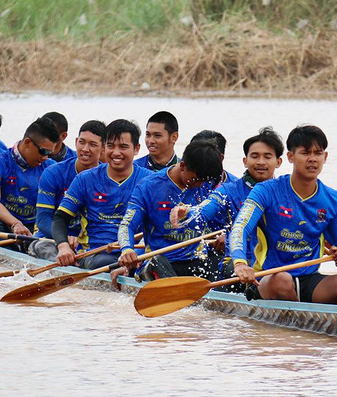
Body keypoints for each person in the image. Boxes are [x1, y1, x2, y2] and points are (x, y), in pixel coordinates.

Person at [230, 125, 337, 306]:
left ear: (325, 157)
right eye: (305, 153)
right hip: (268, 278)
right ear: (290, 157)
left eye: (318, 153)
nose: (312, 159)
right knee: (282, 280)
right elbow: (240, 227)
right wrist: (240, 264)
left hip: (309, 278)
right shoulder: (265, 191)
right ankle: (307, 319)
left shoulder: (332, 199)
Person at [171, 127, 284, 282]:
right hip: (238, 264)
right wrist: (186, 213)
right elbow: (203, 211)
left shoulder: (286, 192)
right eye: (255, 156)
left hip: (276, 264)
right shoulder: (228, 190)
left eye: (267, 157)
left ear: (278, 162)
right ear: (245, 161)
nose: (260, 162)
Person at [52, 119, 152, 271]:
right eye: (110, 146)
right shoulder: (85, 179)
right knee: (103, 262)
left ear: (136, 149)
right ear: (104, 147)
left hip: (135, 254)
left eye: (123, 147)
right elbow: (60, 218)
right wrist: (63, 246)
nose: (116, 153)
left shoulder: (150, 181)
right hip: (95, 255)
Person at [118, 140, 224, 281]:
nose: (199, 185)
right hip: (161, 261)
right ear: (182, 166)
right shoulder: (148, 187)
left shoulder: (207, 183)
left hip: (196, 261)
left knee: (226, 265)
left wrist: (225, 236)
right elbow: (127, 225)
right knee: (158, 262)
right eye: (195, 179)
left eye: (203, 181)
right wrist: (127, 249)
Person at [29, 120, 106, 261]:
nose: (85, 149)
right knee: (43, 247)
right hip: (51, 240)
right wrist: (63, 239)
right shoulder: (53, 173)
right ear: (76, 142)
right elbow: (43, 219)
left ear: (104, 149)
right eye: (82, 142)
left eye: (93, 145)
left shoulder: (107, 179)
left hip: (87, 244)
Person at [0, 117, 59, 247]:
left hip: (37, 228)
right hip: (8, 225)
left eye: (49, 153)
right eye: (43, 151)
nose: (45, 157)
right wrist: (16, 224)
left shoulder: (51, 167)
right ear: (27, 142)